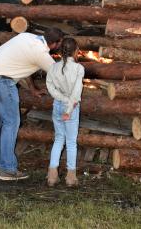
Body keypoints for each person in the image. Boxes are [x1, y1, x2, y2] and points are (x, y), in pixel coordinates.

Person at [0, 27, 64, 181]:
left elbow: (23, 64)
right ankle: (8, 169)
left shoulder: (26, 36)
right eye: (60, 44)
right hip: (2, 82)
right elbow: (59, 76)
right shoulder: (41, 54)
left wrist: (32, 88)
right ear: (55, 44)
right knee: (11, 123)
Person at [45, 38, 84, 188]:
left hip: (57, 105)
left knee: (59, 138)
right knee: (71, 142)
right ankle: (70, 178)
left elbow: (50, 86)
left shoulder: (53, 67)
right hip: (71, 108)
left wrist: (61, 98)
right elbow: (76, 93)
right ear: (76, 51)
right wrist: (68, 108)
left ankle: (52, 176)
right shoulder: (78, 68)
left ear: (61, 51)